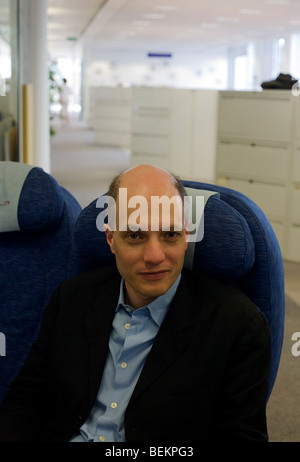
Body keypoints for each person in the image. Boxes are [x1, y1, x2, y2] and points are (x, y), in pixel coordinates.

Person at [0, 164, 271, 442]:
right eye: (135, 236)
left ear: (186, 236)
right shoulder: (72, 297)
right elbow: (26, 397)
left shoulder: (236, 325)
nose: (155, 256)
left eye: (170, 235)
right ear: (111, 239)